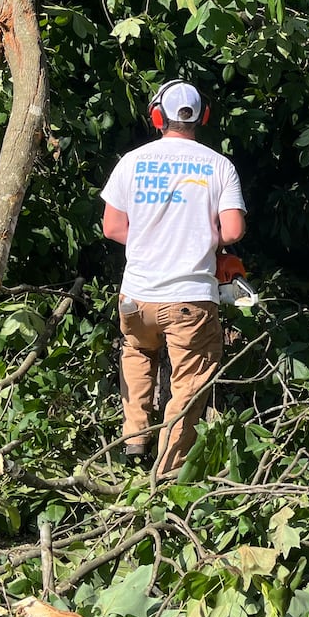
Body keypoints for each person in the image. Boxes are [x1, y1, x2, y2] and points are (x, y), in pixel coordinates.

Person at [100, 79, 247, 475]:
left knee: (136, 353)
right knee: (188, 383)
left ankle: (134, 440)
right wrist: (201, 241)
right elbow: (232, 231)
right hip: (190, 298)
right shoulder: (218, 165)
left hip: (137, 298)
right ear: (204, 117)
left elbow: (112, 227)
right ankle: (166, 472)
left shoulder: (132, 161)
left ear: (157, 116)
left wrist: (153, 238)